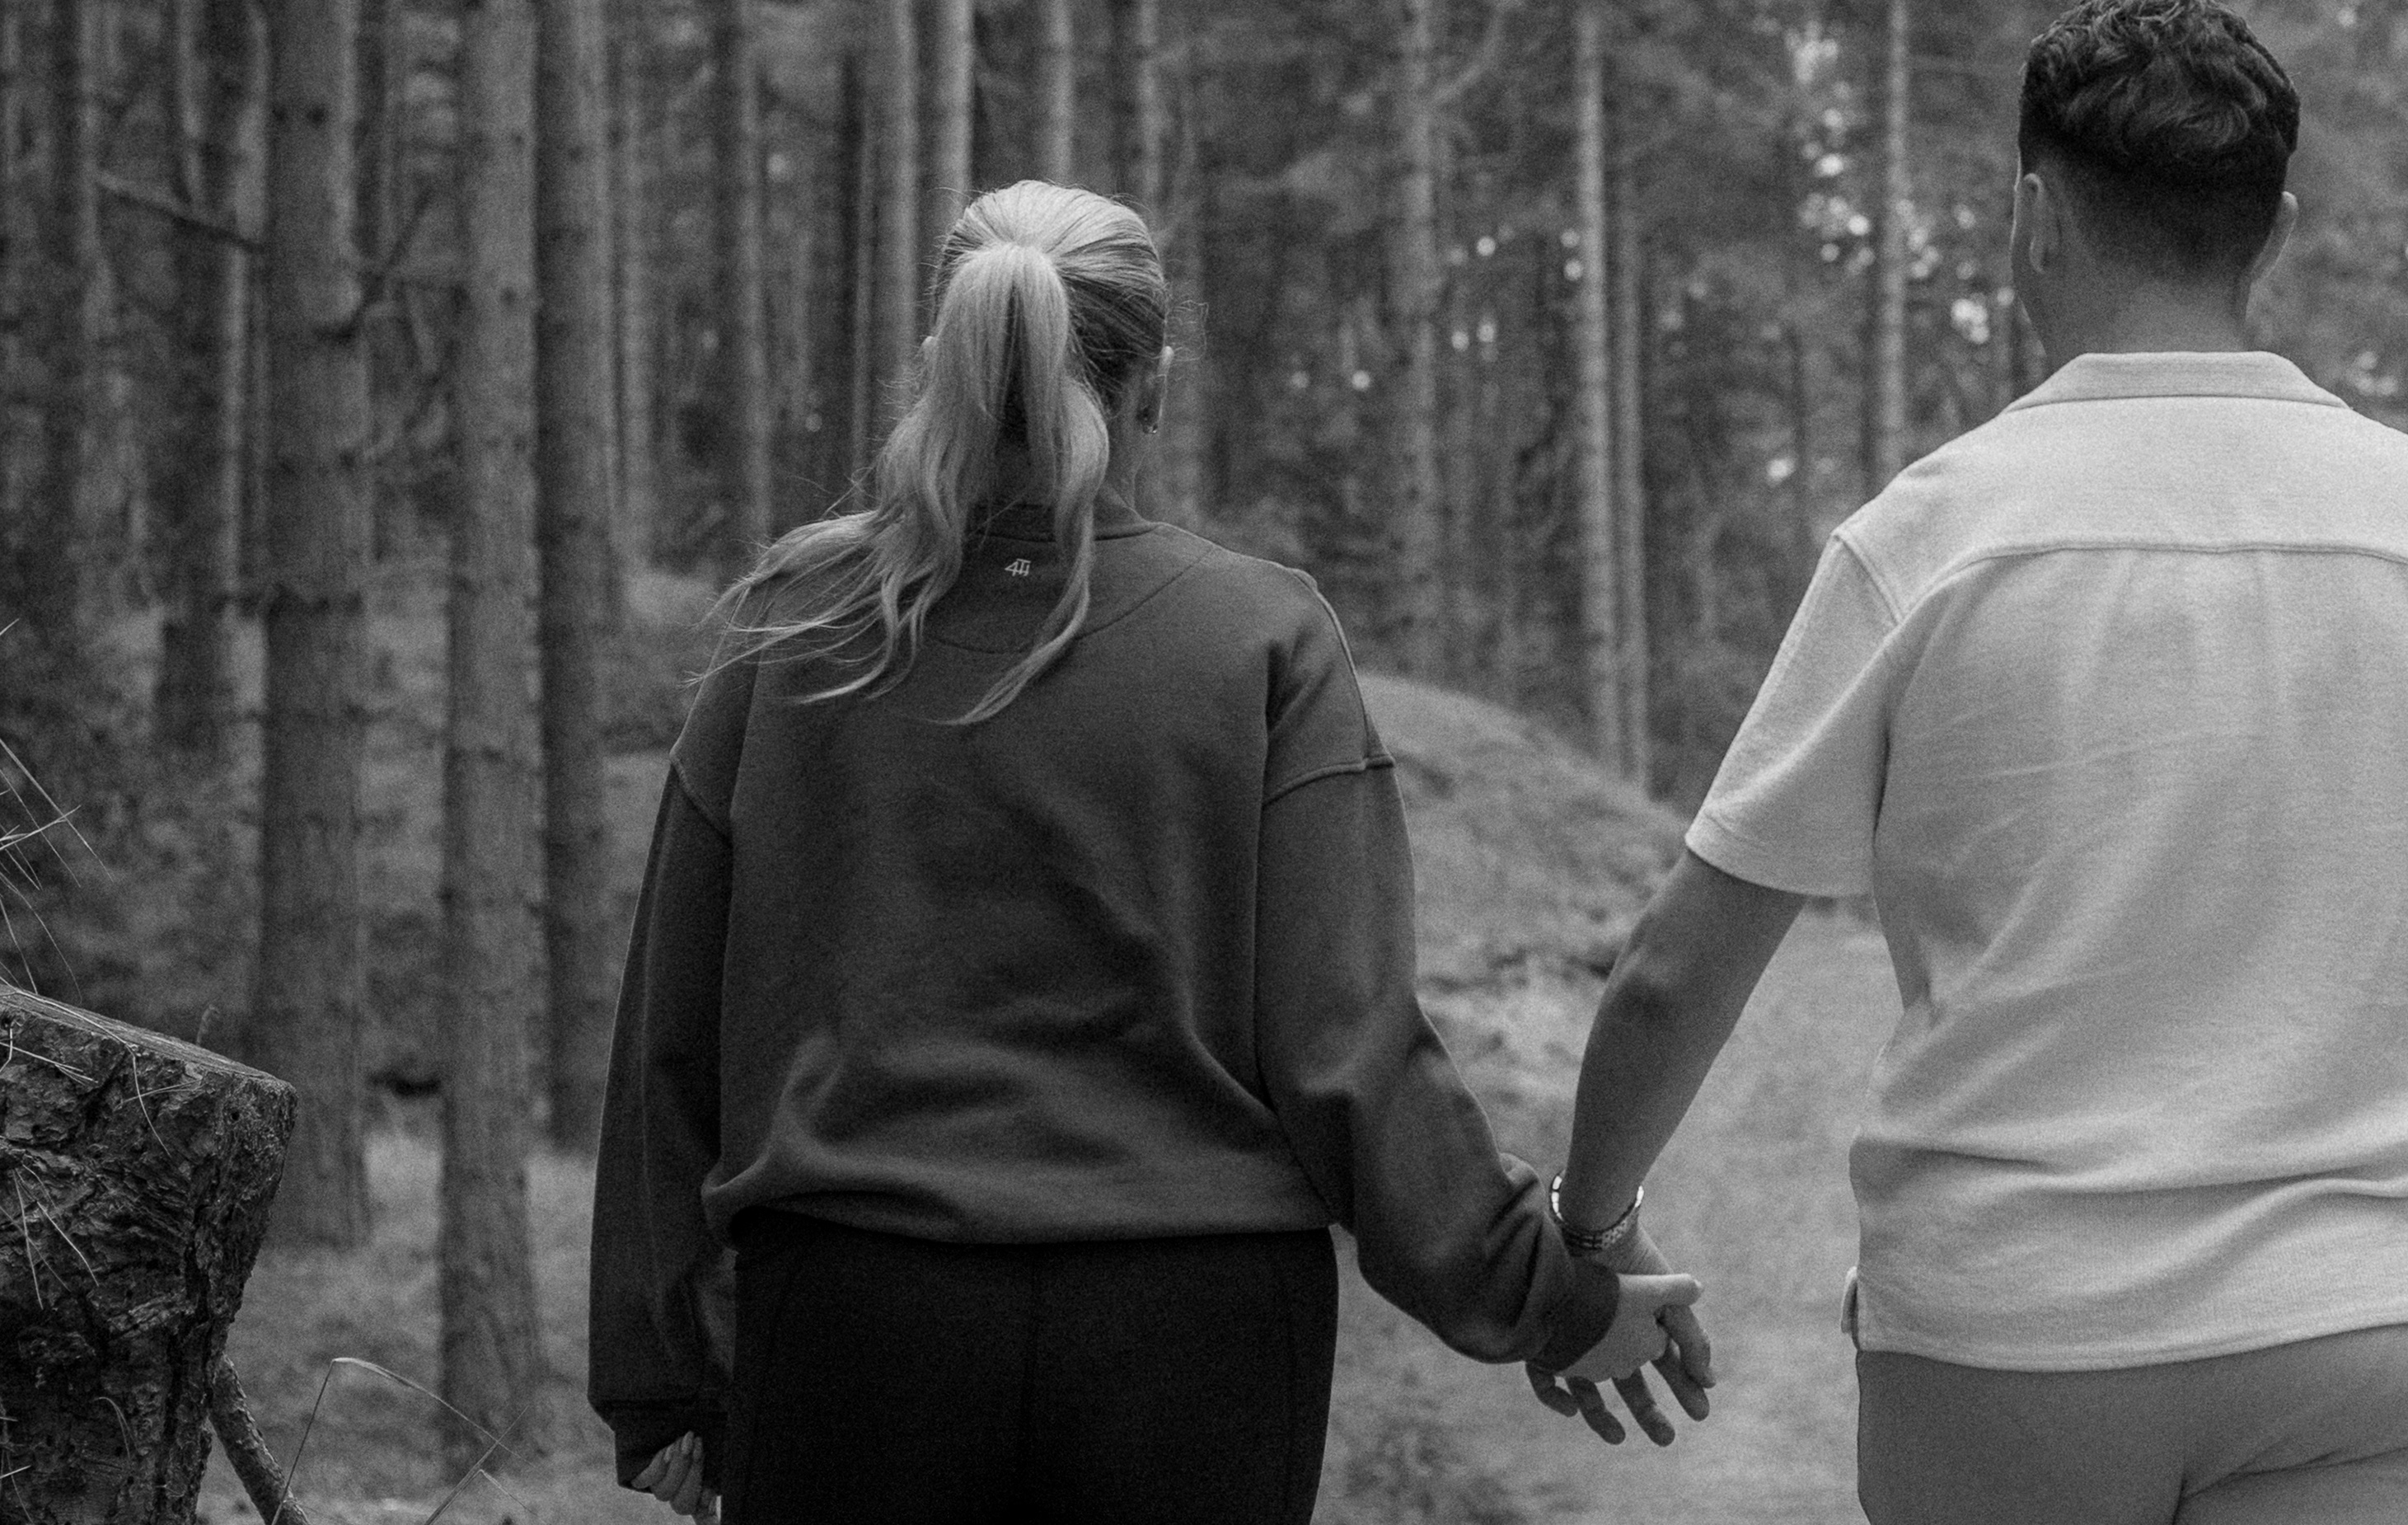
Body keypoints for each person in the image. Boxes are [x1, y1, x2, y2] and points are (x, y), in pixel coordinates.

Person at [1530, 0, 2408, 1523]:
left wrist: (1589, 1232)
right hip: (2377, 1335)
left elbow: (1672, 976)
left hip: (2008, 1340)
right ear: (2277, 231)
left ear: (2034, 219)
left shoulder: (1929, 541)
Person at [588, 181, 1708, 1525]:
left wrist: (665, 1378)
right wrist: (1551, 1295)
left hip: (853, 1331)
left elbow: (671, 1038)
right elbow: (1347, 1051)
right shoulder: (1260, 638)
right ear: (1156, 387)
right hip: (1199, 1350)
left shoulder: (795, 629)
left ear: (942, 363)